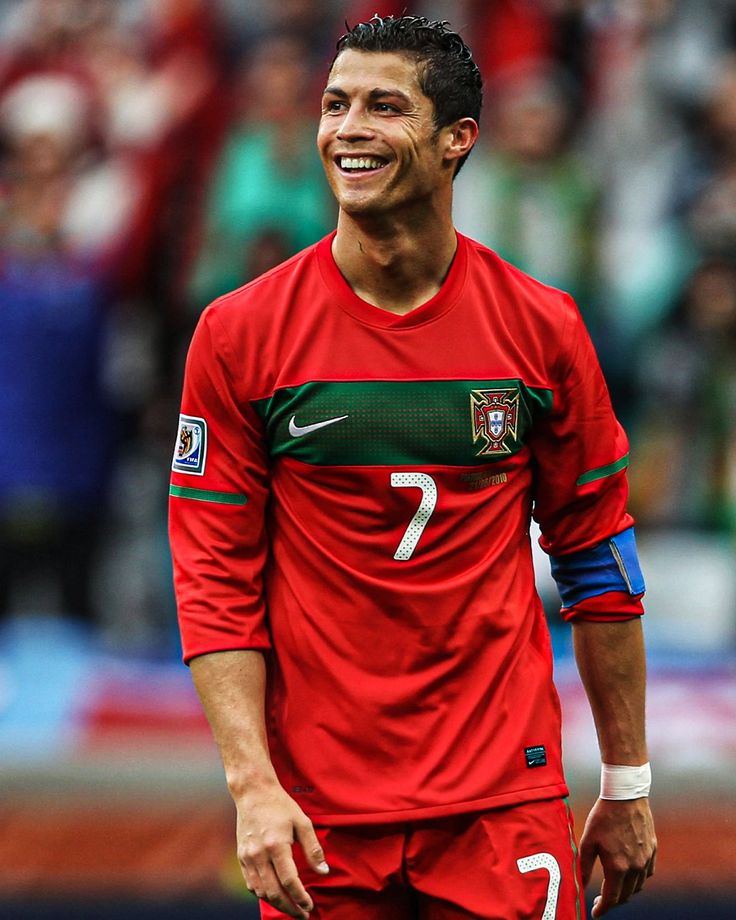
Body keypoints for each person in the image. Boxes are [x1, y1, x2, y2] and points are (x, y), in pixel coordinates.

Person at [169, 14, 656, 920]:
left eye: (383, 107)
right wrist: (251, 786)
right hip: (319, 813)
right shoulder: (239, 335)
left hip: (502, 803)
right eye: (335, 104)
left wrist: (626, 780)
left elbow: (598, 559)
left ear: (456, 141)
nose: (347, 129)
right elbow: (211, 575)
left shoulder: (541, 328)